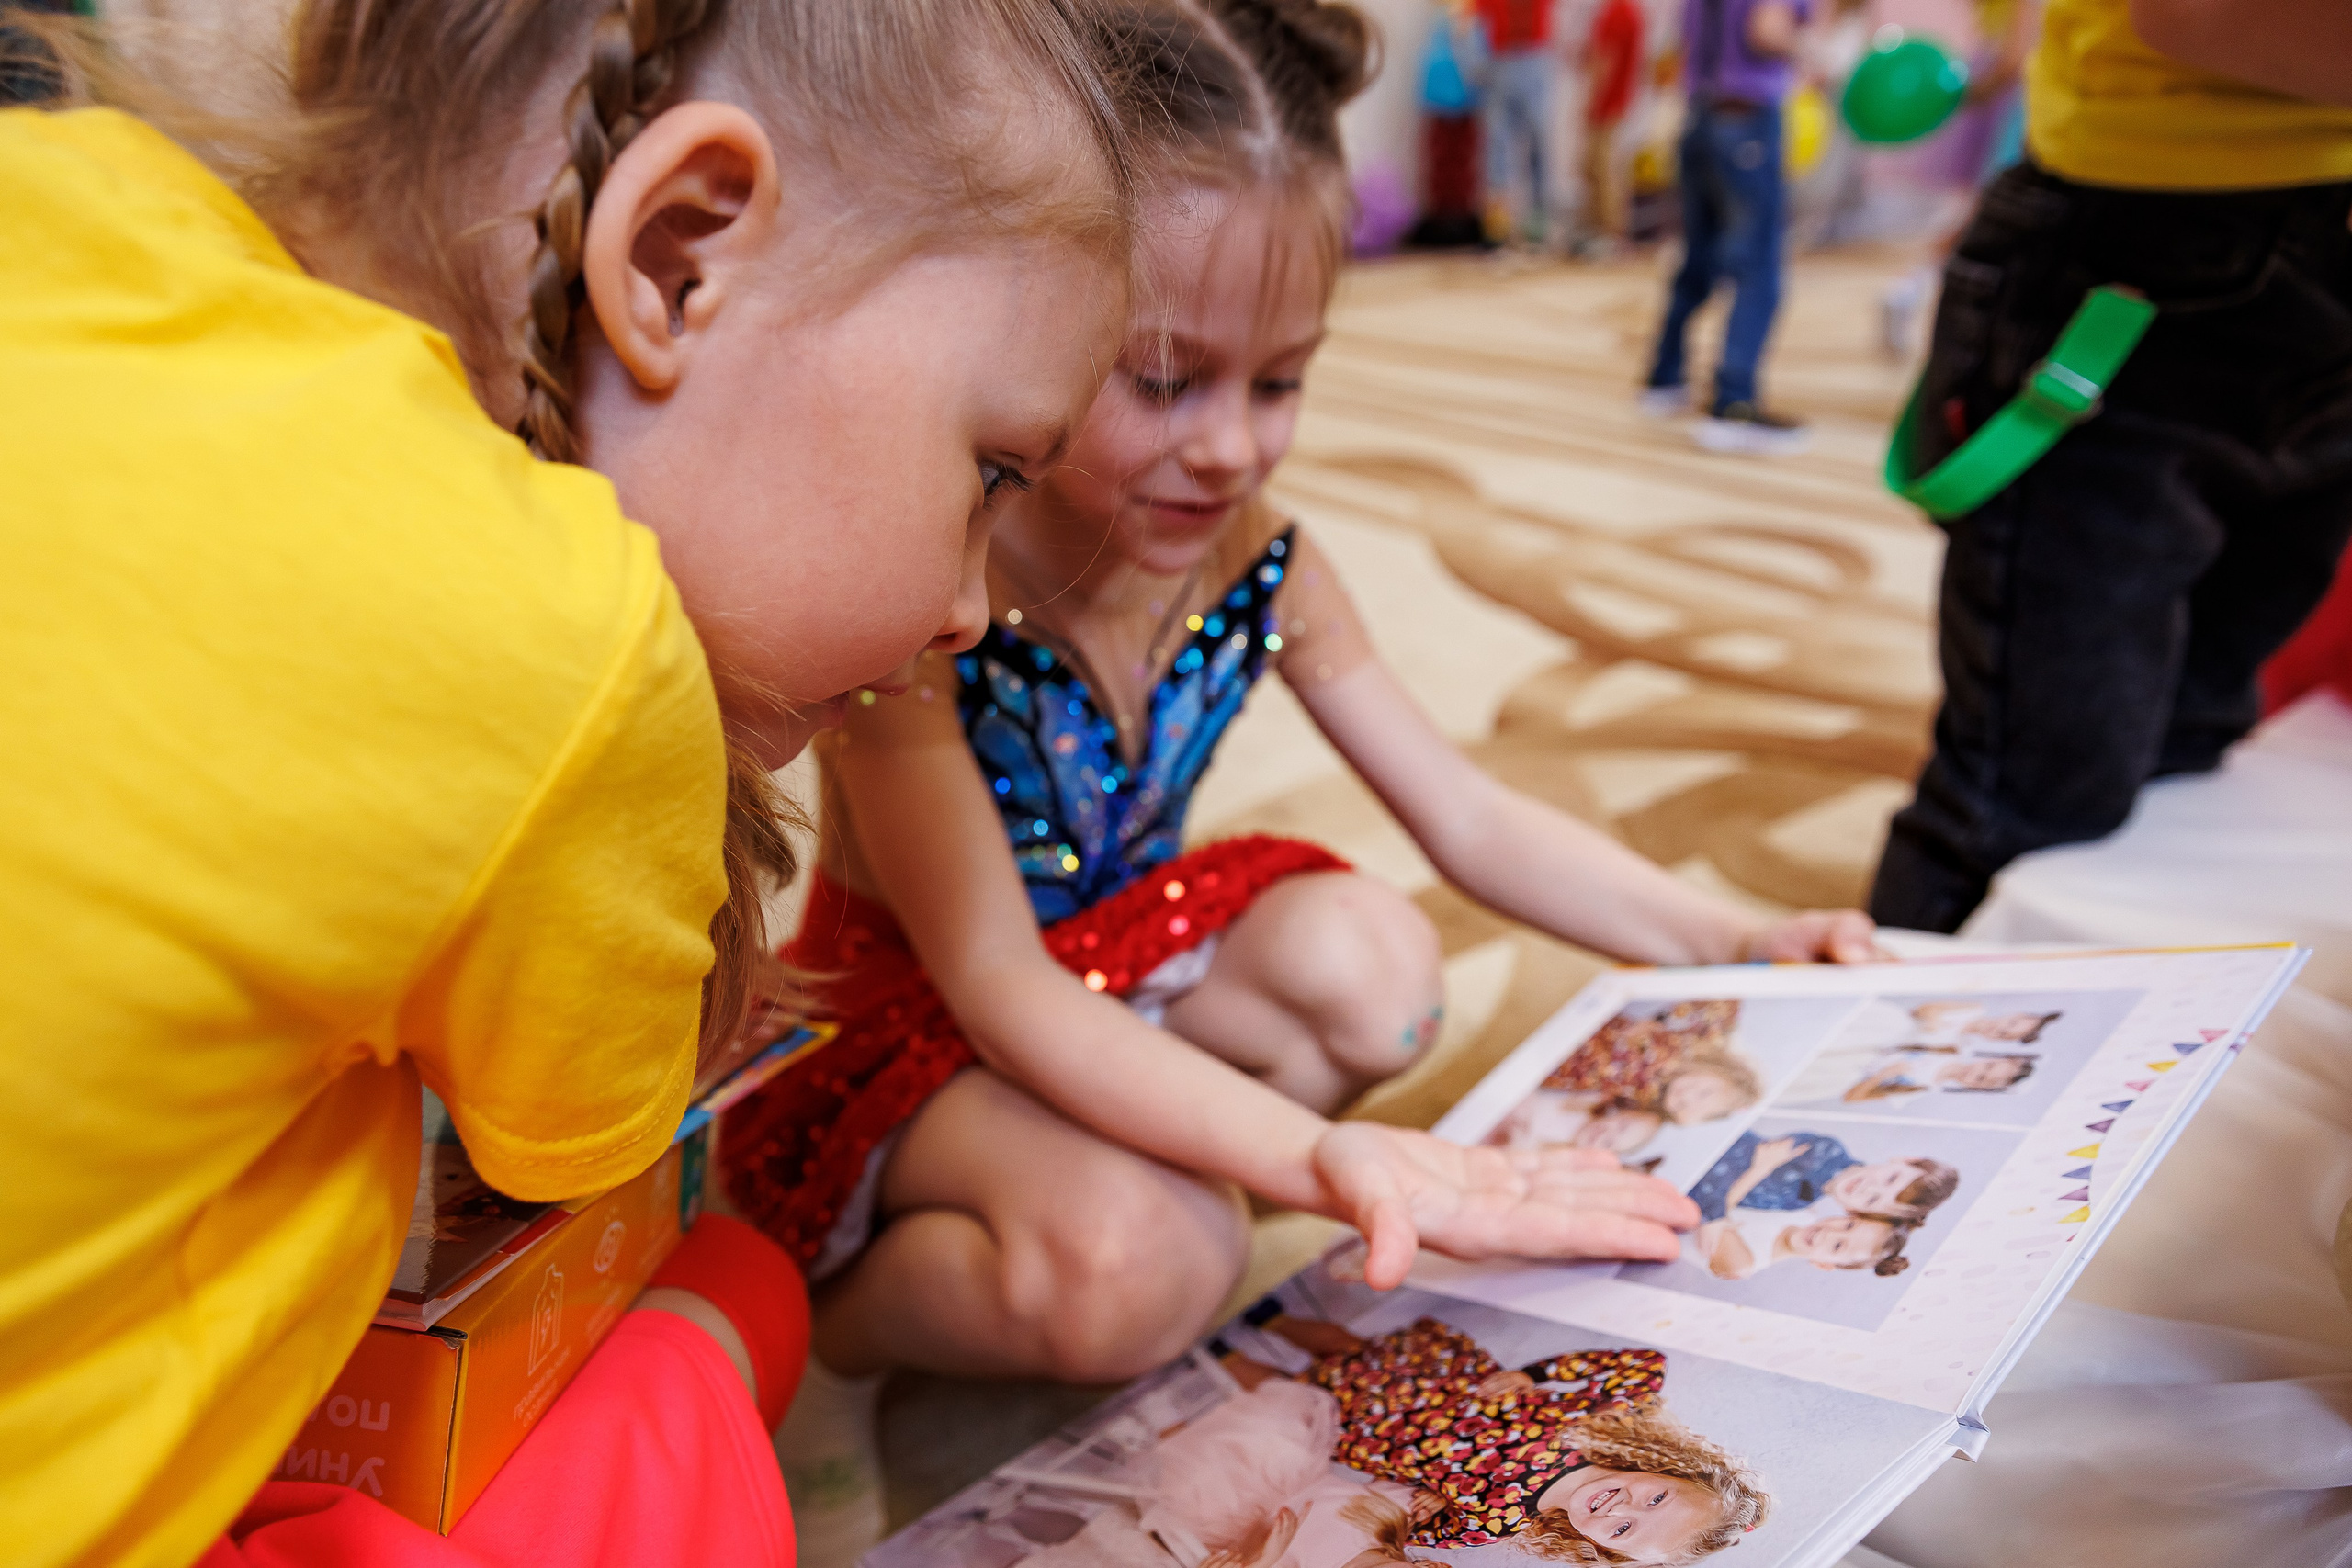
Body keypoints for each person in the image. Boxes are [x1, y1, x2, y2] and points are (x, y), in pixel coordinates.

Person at [717, 0, 1878, 1552]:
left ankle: (1115, 1155)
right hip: (915, 1027)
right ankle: (838, 1337)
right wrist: (1316, 1155)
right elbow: (992, 981)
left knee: (1377, 975)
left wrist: (1738, 937)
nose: (1229, 449)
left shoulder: (1265, 560)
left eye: (1279, 382)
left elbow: (1465, 813)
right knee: (1150, 1265)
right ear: (1035, 327)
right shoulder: (932, 580)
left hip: (1125, 955)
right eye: (1163, 379)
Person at [0, 1, 1144, 1563]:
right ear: (679, 256)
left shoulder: (66, 193)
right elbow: (569, 1154)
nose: (971, 604)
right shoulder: (570, 652)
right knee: (716, 1299)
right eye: (992, 474)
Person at [1866, 0, 2352, 932]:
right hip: (2148, 252)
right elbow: (2195, 16)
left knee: (2191, 735)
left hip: (2257, 261)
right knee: (2029, 796)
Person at [1227, 1313, 1769, 1562]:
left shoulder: (1496, 1522)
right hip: (1435, 1380)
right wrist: (1537, 1375)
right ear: (1670, 1469)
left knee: (1296, 1398)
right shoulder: (1604, 1426)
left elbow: (1429, 1531)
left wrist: (1437, 1500)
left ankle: (1222, 1357)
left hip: (1384, 1433)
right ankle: (1270, 1317)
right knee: (1344, 1345)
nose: (1621, 1507)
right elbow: (1644, 1364)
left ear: (1601, 1550)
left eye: (1626, 1529)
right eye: (1657, 1497)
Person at [1640, 0, 1814, 454]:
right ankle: (1734, 405)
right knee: (1758, 267)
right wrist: (1820, 55)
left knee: (1698, 258)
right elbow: (1767, 30)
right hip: (1747, 118)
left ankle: (1664, 377)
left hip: (1698, 116)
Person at [1688, 1131, 1961, 1223]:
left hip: (1685, 1188)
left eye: (1874, 1200)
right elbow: (1719, 1199)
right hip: (1702, 1145)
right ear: (1903, 1159)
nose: (1870, 1187)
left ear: (1854, 1211)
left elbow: (1715, 1208)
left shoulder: (1799, 1203)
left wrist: (1721, 1214)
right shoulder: (1826, 1150)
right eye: (1890, 1178)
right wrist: (1721, 1214)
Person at [1476, 0, 1561, 245]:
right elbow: (1481, 17)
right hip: (1501, 56)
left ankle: (1539, 218)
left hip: (1534, 54)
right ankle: (1498, 223)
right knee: (1497, 143)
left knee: (1538, 139)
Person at [1577, 0, 1647, 252]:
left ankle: (1609, 233)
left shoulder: (1618, 11)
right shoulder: (1627, 11)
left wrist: (1592, 100)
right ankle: (1601, 230)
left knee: (1602, 169)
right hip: (1616, 100)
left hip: (1608, 103)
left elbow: (1607, 59)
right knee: (1598, 167)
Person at [1693, 1209, 1918, 1279]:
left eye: (1837, 1246)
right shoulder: (1800, 1209)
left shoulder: (1743, 1263)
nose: (1828, 1233)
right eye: (1848, 1225)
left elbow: (1709, 1209)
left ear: (1822, 1264)